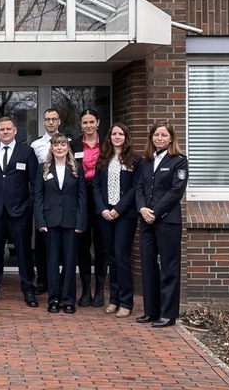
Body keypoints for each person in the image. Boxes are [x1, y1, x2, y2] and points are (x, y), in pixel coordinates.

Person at [0, 116, 39, 308]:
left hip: (20, 212)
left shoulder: (26, 152)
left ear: (15, 130)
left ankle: (28, 290)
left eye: (8, 129)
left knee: (24, 253)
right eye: (2, 129)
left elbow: (35, 183)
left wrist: (30, 207)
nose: (5, 132)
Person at [135, 120, 188, 328]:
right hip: (146, 220)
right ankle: (151, 310)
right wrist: (142, 208)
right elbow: (140, 188)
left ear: (171, 138)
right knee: (148, 265)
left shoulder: (179, 161)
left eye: (164, 135)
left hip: (167, 221)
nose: (159, 138)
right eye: (156, 135)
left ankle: (168, 314)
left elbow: (176, 191)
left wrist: (155, 213)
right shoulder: (146, 161)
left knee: (169, 267)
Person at [92, 123, 142, 318]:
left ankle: (126, 301)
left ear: (126, 137)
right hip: (105, 215)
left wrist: (118, 210)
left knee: (121, 257)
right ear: (109, 137)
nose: (117, 137)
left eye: (121, 134)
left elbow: (135, 188)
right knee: (111, 257)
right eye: (114, 133)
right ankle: (113, 299)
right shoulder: (103, 158)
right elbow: (96, 186)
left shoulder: (135, 160)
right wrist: (103, 209)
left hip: (124, 216)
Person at [34, 134, 86, 314]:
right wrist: (40, 220)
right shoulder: (43, 168)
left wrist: (81, 222)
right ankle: (54, 299)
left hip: (71, 221)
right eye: (56, 145)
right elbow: (38, 196)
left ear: (67, 148)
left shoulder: (77, 168)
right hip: (51, 221)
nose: (59, 148)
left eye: (63, 145)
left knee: (70, 262)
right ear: (52, 148)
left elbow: (82, 197)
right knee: (52, 262)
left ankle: (69, 300)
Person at [69, 108, 106, 307]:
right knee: (82, 245)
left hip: (102, 197)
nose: (89, 126)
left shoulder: (107, 144)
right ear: (80, 125)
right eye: (85, 122)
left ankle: (99, 289)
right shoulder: (73, 145)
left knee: (101, 245)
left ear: (98, 123)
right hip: (81, 197)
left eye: (92, 122)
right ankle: (85, 290)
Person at [29, 108, 64, 295]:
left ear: (59, 121)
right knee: (42, 244)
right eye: (47, 119)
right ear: (43, 122)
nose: (51, 122)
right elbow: (33, 175)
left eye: (54, 119)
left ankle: (61, 281)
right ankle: (43, 280)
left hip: (63, 200)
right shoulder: (36, 145)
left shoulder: (67, 142)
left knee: (63, 245)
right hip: (44, 199)